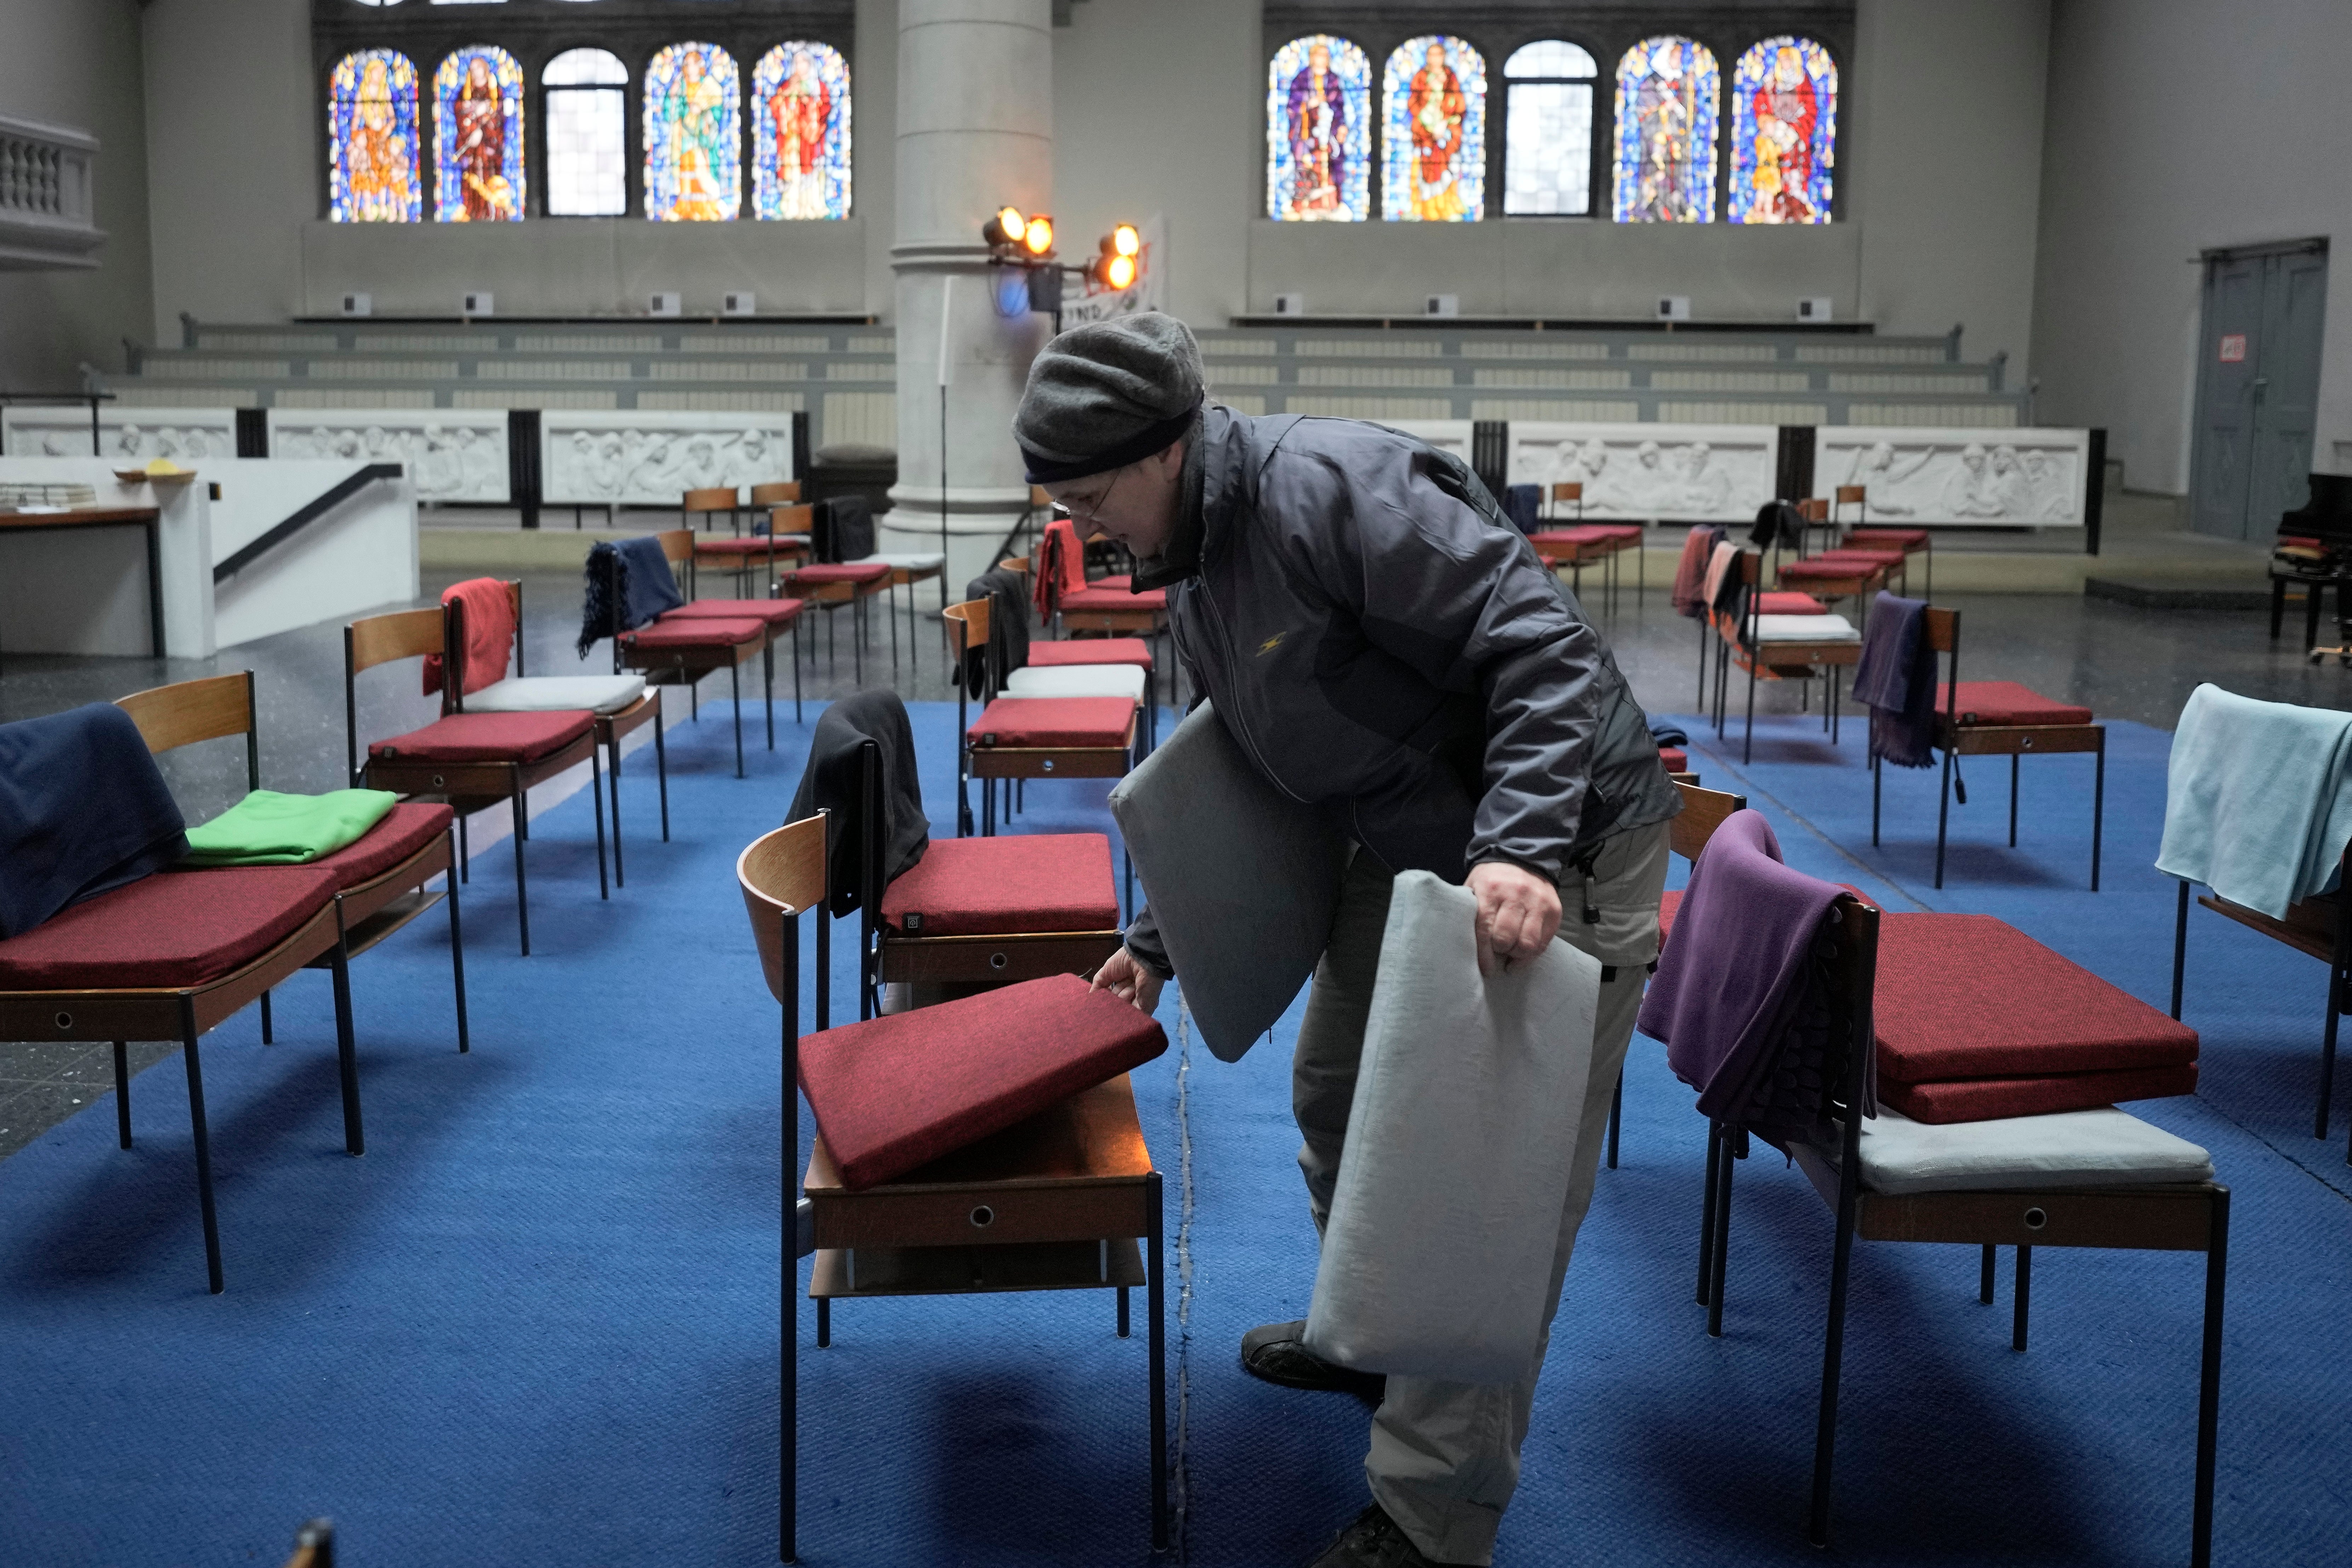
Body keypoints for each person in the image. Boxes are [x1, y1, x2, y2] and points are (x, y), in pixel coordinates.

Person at [1013, 314, 1680, 1568]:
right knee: (1336, 1093)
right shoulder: (1195, 555)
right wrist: (1158, 939)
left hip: (1556, 842)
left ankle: (1433, 1517)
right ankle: (1377, 1334)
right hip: (1410, 824)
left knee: (1477, 1187)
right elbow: (1247, 748)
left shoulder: (1332, 486)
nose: (1083, 532)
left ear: (1166, 452)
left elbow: (1547, 649)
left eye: (1092, 499)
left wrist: (1522, 847)